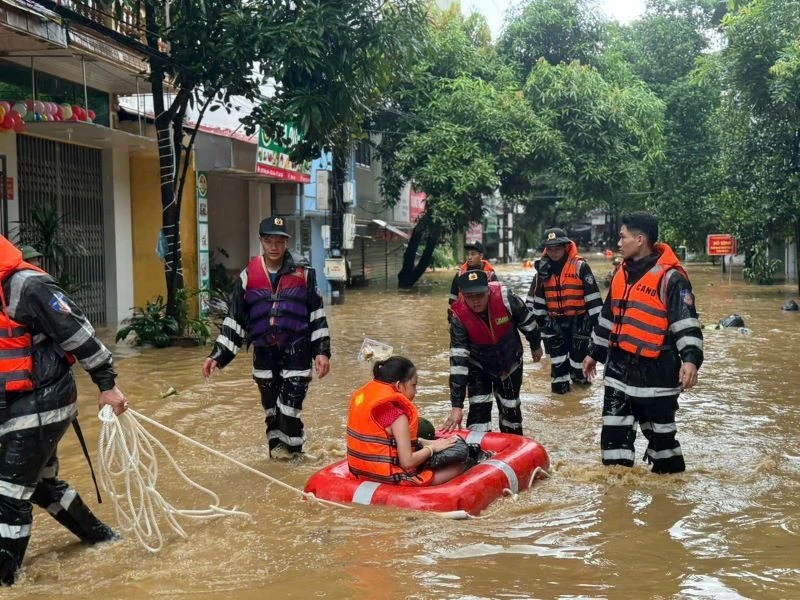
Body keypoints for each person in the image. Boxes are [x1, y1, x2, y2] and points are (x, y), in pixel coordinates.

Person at [0, 234, 127, 586]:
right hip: (12, 403)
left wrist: (107, 384)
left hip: (44, 398)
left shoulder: (28, 286)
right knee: (40, 485)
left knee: (7, 492)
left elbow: (80, 334)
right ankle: (103, 539)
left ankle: (7, 582)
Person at [582, 212, 703, 474]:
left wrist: (691, 359)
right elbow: (607, 316)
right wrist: (593, 352)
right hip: (619, 371)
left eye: (622, 237)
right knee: (613, 446)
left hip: (657, 374)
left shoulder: (673, 279)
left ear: (639, 240)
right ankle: (616, 505)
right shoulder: (620, 274)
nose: (618, 242)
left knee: (663, 445)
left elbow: (686, 322)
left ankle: (669, 498)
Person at [202, 216, 331, 459]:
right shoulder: (248, 276)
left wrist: (321, 352)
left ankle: (296, 453)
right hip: (264, 355)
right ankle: (277, 456)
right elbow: (235, 320)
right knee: (272, 411)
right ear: (261, 241)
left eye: (279, 241)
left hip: (297, 351)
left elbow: (317, 316)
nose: (274, 246)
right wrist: (217, 355)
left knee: (289, 409)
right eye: (269, 240)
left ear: (286, 243)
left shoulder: (305, 274)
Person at [443, 270, 542, 434]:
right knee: (478, 408)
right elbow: (458, 363)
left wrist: (535, 345)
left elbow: (527, 322)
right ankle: (476, 449)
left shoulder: (505, 298)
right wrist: (456, 406)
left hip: (510, 360)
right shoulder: (458, 317)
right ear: (463, 295)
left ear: (488, 291)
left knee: (511, 409)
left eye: (480, 295)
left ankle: (513, 444)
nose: (475, 302)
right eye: (470, 296)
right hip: (478, 364)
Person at [346, 356, 466, 486]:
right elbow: (407, 462)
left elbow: (381, 440)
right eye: (413, 385)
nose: (416, 391)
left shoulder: (364, 399)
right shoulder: (397, 416)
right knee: (460, 466)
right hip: (390, 478)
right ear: (398, 385)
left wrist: (422, 441)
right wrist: (431, 448)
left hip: (360, 471)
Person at [525, 228, 603, 394]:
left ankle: (579, 404)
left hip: (580, 323)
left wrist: (598, 335)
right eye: (550, 249)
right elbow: (538, 304)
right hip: (554, 325)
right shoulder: (542, 272)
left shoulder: (581, 267)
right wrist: (543, 330)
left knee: (578, 368)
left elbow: (594, 302)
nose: (554, 253)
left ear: (566, 247)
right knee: (558, 370)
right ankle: (562, 404)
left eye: (557, 248)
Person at [448, 241, 498, 306]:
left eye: (473, 254)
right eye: (468, 254)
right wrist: (451, 314)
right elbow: (453, 299)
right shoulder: (459, 275)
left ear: (481, 256)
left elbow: (496, 298)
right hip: (465, 312)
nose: (469, 257)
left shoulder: (490, 276)